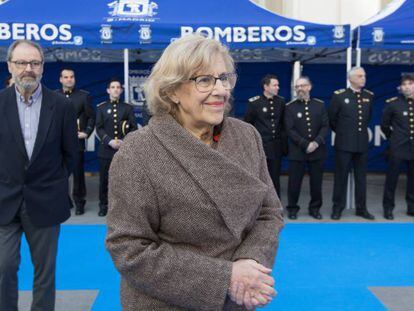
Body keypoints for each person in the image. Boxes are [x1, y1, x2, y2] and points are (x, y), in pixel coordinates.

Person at [105, 34, 284, 310]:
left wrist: (250, 261)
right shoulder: (138, 153)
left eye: (224, 78)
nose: (221, 90)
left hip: (237, 299)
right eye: (204, 80)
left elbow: (269, 212)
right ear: (172, 91)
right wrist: (225, 277)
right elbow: (129, 248)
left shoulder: (247, 136)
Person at [0, 40, 78, 311]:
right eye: (21, 63)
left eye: (34, 63)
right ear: (10, 66)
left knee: (44, 274)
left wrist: (52, 184)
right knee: (3, 268)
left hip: (46, 202)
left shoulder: (62, 106)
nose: (28, 69)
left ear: (43, 67)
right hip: (4, 201)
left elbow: (70, 155)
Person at [328, 67, 375, 220]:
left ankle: (361, 208)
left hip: (361, 144)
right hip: (344, 144)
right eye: (360, 76)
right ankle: (338, 207)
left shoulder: (369, 96)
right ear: (351, 79)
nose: (363, 78)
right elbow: (332, 120)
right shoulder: (339, 96)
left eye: (364, 76)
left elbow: (368, 118)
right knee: (341, 177)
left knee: (361, 178)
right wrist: (344, 133)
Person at [284, 76, 329, 220]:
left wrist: (316, 143)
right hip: (298, 151)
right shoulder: (290, 107)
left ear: (309, 87)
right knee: (294, 183)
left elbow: (325, 126)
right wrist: (305, 144)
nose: (299, 89)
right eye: (297, 87)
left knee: (316, 183)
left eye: (302, 86)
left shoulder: (319, 105)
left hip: (317, 151)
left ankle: (315, 208)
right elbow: (289, 129)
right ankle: (292, 208)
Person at [56, 68, 95, 215]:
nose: (69, 79)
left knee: (78, 174)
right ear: (61, 79)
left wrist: (86, 132)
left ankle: (79, 203)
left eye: (71, 77)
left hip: (76, 142)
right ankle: (62, 201)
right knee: (59, 174)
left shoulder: (84, 96)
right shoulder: (54, 96)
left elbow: (91, 117)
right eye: (65, 77)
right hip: (57, 143)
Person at [96, 79, 137, 216]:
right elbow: (99, 128)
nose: (115, 89)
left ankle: (122, 207)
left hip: (123, 150)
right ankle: (103, 205)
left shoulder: (127, 108)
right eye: (112, 87)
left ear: (121, 90)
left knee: (123, 179)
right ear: (108, 90)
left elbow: (133, 127)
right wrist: (109, 141)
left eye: (118, 87)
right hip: (106, 150)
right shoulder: (101, 108)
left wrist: (124, 141)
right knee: (104, 180)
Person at [244, 74, 287, 196]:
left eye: (278, 85)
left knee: (275, 177)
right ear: (266, 86)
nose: (278, 87)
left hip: (276, 146)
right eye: (275, 85)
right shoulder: (255, 103)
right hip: (261, 146)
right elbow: (248, 125)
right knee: (260, 177)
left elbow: (283, 124)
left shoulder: (281, 102)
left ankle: (275, 204)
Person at [381, 73, 414, 220]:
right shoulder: (393, 103)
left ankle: (411, 207)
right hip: (398, 146)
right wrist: (393, 138)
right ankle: (388, 208)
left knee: (413, 179)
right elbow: (384, 125)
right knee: (392, 179)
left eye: (410, 84)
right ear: (400, 88)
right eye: (404, 84)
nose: (407, 87)